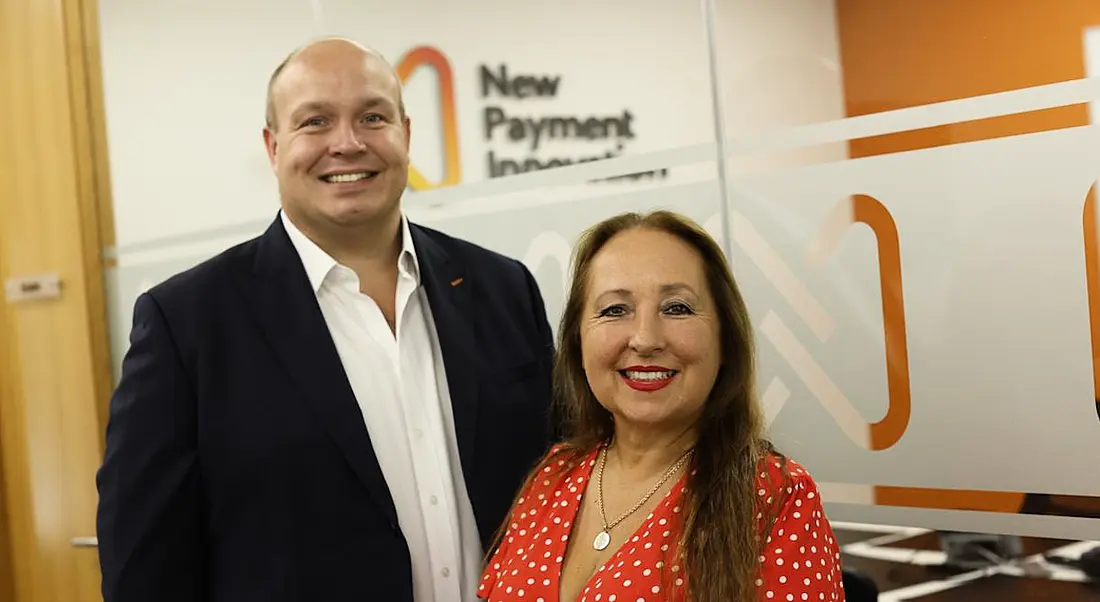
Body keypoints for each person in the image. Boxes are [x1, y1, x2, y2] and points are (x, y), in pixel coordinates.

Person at [95, 38, 557, 602]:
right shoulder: (187, 324)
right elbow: (144, 569)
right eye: (315, 121)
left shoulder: (504, 290)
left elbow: (564, 490)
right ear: (273, 147)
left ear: (406, 135)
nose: (348, 143)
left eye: (372, 117)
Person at [477, 210, 846, 602]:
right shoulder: (552, 476)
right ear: (578, 344)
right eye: (615, 310)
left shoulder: (776, 497)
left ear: (724, 341)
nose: (645, 338)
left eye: (677, 308)